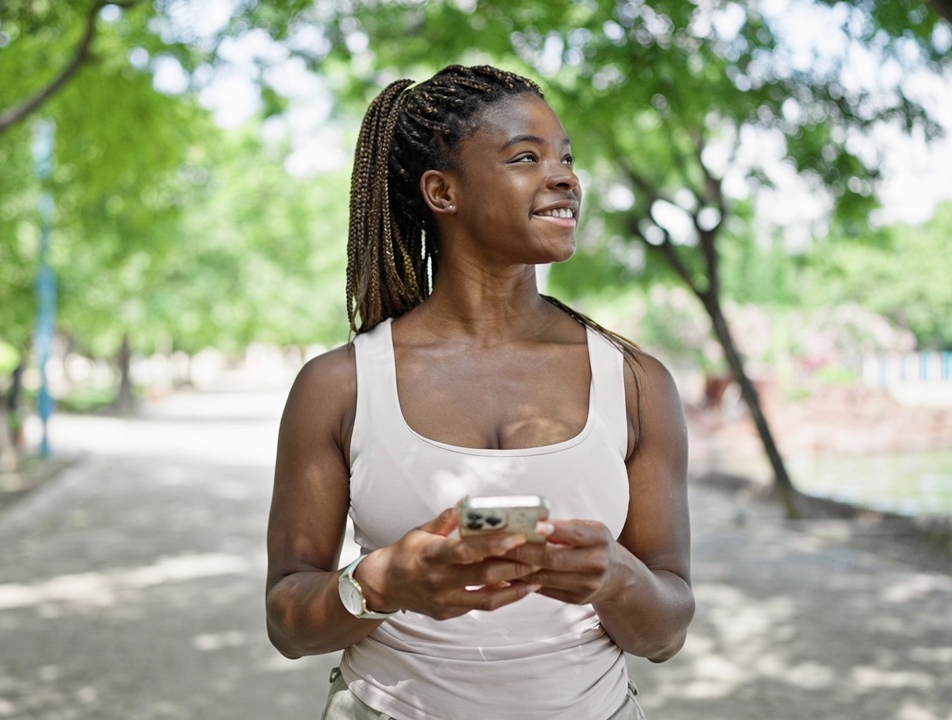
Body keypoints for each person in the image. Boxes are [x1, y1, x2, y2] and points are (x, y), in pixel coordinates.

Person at [265, 64, 693, 720]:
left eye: (567, 159)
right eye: (526, 156)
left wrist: (616, 577)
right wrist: (382, 583)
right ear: (442, 191)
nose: (565, 178)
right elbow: (290, 624)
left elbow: (665, 634)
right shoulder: (340, 386)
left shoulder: (636, 383)